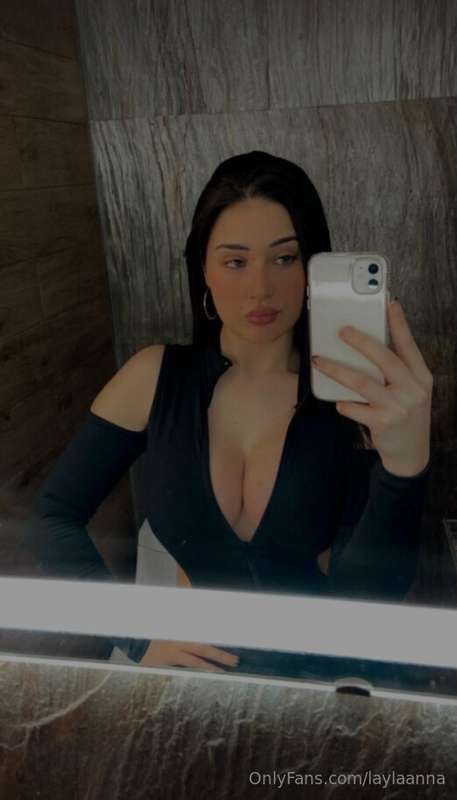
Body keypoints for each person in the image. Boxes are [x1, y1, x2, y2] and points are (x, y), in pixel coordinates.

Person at [23, 151, 433, 671]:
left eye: (284, 258)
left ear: (311, 267)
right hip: (197, 688)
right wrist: (133, 636)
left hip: (322, 682)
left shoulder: (353, 396)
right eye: (236, 262)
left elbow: (371, 596)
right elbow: (54, 516)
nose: (260, 289)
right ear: (205, 271)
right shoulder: (154, 377)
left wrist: (405, 468)